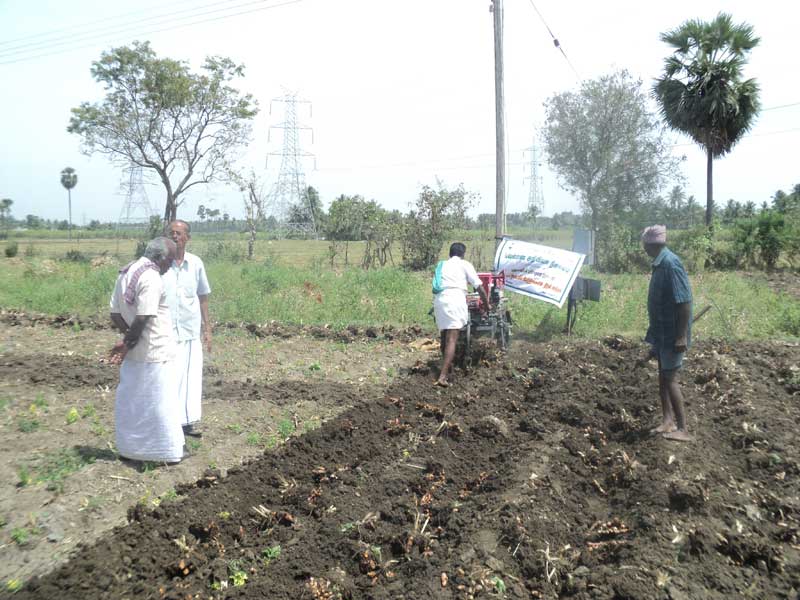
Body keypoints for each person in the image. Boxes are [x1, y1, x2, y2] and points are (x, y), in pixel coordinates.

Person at [109, 237, 184, 463]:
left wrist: (127, 338)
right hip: (155, 352)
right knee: (162, 403)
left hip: (136, 353)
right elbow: (143, 317)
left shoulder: (126, 271)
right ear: (160, 258)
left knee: (134, 402)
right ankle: (168, 453)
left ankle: (131, 449)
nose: (171, 265)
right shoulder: (151, 277)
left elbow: (114, 313)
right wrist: (128, 342)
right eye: (170, 260)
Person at [642, 225, 693, 442]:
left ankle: (683, 429)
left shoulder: (671, 264)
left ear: (650, 244)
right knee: (662, 377)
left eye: (644, 244)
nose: (643, 248)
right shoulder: (660, 263)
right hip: (662, 332)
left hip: (673, 334)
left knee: (670, 379)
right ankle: (667, 421)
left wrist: (681, 336)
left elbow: (684, 302)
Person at [163, 220, 212, 438]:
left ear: (187, 238)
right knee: (167, 376)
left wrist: (207, 328)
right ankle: (166, 421)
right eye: (171, 233)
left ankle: (186, 423)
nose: (175, 236)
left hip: (189, 330)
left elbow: (203, 296)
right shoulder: (160, 265)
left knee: (190, 378)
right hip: (165, 332)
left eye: (179, 233)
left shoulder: (196, 263)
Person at [432, 242, 490, 387]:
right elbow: (480, 288)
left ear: (450, 253)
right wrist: (487, 305)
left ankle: (448, 367)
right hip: (455, 300)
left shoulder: (442, 265)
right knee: (452, 339)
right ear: (463, 254)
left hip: (440, 301)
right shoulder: (465, 264)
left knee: (444, 335)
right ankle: (443, 377)